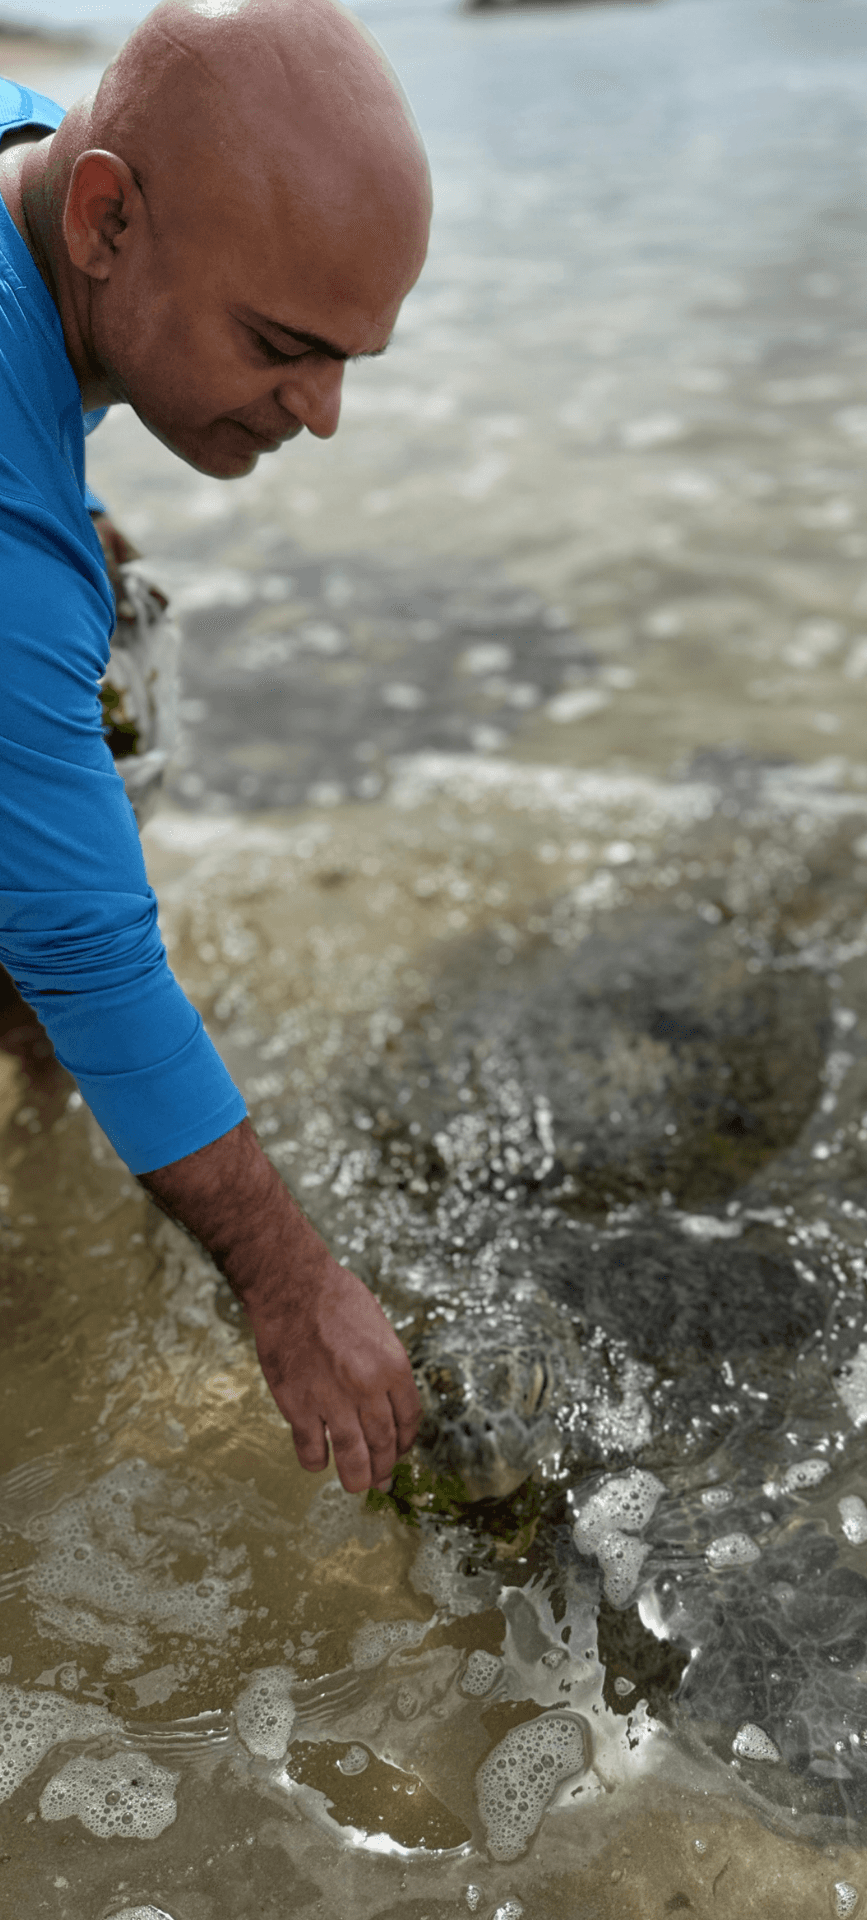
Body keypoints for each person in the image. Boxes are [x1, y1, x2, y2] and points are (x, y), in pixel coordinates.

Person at [0, 0, 433, 1494]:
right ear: (109, 217)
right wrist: (295, 1286)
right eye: (282, 349)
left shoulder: (34, 155)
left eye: (351, 359)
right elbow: (91, 949)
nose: (321, 416)